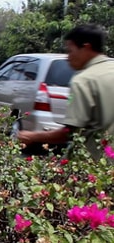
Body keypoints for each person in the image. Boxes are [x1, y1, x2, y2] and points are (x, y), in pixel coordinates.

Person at [17, 24, 114, 161]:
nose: (68, 57)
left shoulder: (84, 80)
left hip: (95, 165)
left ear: (86, 47)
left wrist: (32, 136)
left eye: (70, 51)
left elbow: (70, 133)